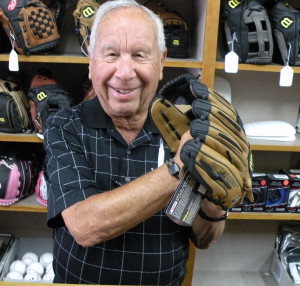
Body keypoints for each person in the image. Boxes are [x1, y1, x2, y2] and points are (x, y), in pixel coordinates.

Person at [43, 0, 227, 285]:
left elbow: (203, 239)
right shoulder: (65, 125)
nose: (125, 72)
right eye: (111, 54)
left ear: (162, 61)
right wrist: (181, 166)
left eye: (140, 55)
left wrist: (216, 201)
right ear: (91, 62)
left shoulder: (186, 131)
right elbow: (85, 226)